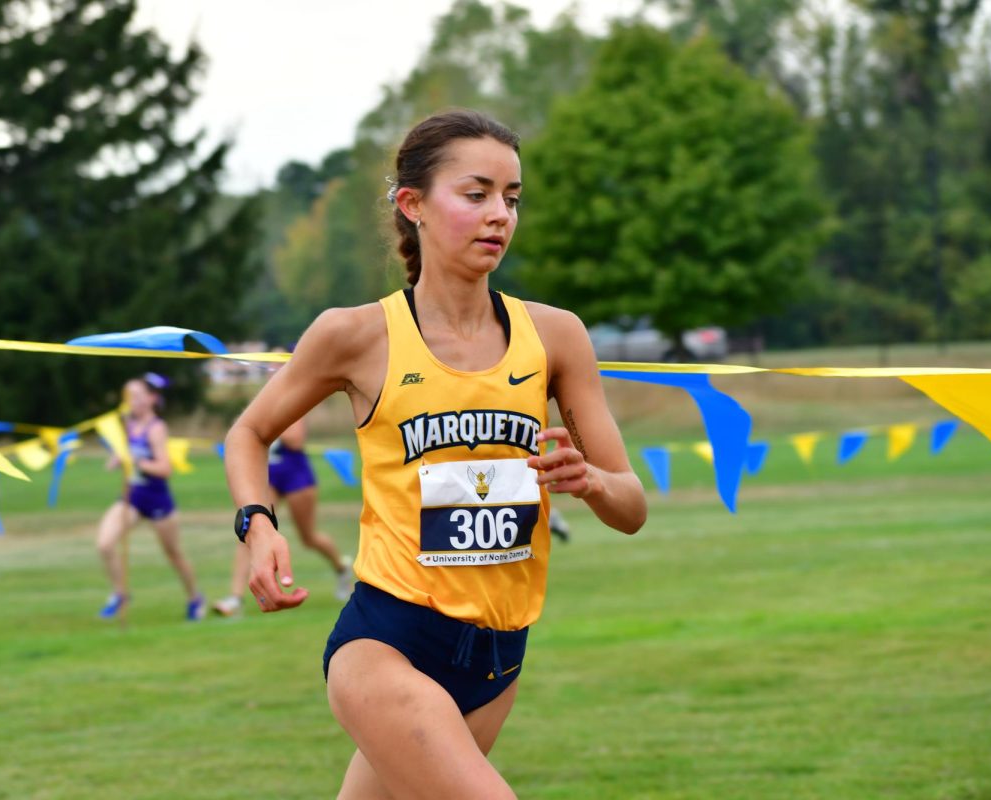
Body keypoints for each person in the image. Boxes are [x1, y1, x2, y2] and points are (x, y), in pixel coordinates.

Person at [224, 109, 646, 798]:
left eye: (511, 199)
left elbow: (632, 508)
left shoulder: (558, 337)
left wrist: (591, 480)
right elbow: (248, 432)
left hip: (497, 656)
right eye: (475, 194)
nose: (499, 216)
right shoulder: (355, 335)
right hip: (388, 641)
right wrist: (258, 524)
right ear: (412, 204)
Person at [212, 416, 354, 617]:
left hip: (296, 475)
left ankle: (341, 569)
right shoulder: (268, 395)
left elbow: (295, 440)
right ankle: (235, 598)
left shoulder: (291, 393)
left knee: (309, 538)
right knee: (251, 532)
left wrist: (266, 424)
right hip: (270, 474)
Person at [97, 373, 207, 621]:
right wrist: (118, 458)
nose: (131, 401)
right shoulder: (126, 426)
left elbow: (164, 469)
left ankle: (195, 598)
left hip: (157, 501)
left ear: (151, 398)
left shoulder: (156, 428)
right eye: (128, 396)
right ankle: (121, 593)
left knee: (173, 554)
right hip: (131, 499)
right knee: (105, 544)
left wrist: (138, 461)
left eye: (136, 395)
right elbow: (123, 457)